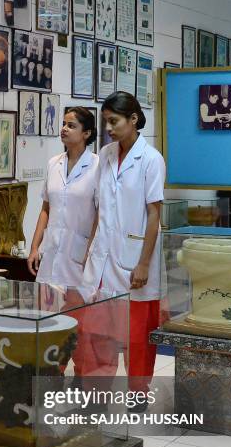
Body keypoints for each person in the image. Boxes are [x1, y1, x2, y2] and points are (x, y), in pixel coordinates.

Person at [83, 91, 166, 396]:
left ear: (133, 119)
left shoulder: (151, 160)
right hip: (103, 257)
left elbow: (154, 214)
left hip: (135, 257)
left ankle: (138, 392)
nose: (109, 128)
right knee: (98, 332)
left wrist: (144, 262)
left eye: (114, 121)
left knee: (137, 335)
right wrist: (89, 250)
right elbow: (99, 209)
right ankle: (96, 391)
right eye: (106, 121)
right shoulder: (105, 155)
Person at [27, 106, 98, 287]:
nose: (64, 129)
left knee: (76, 310)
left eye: (72, 126)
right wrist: (34, 247)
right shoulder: (54, 163)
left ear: (86, 133)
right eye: (64, 124)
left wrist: (90, 252)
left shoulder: (97, 166)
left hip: (80, 255)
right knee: (46, 309)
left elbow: (100, 215)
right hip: (51, 251)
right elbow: (45, 209)